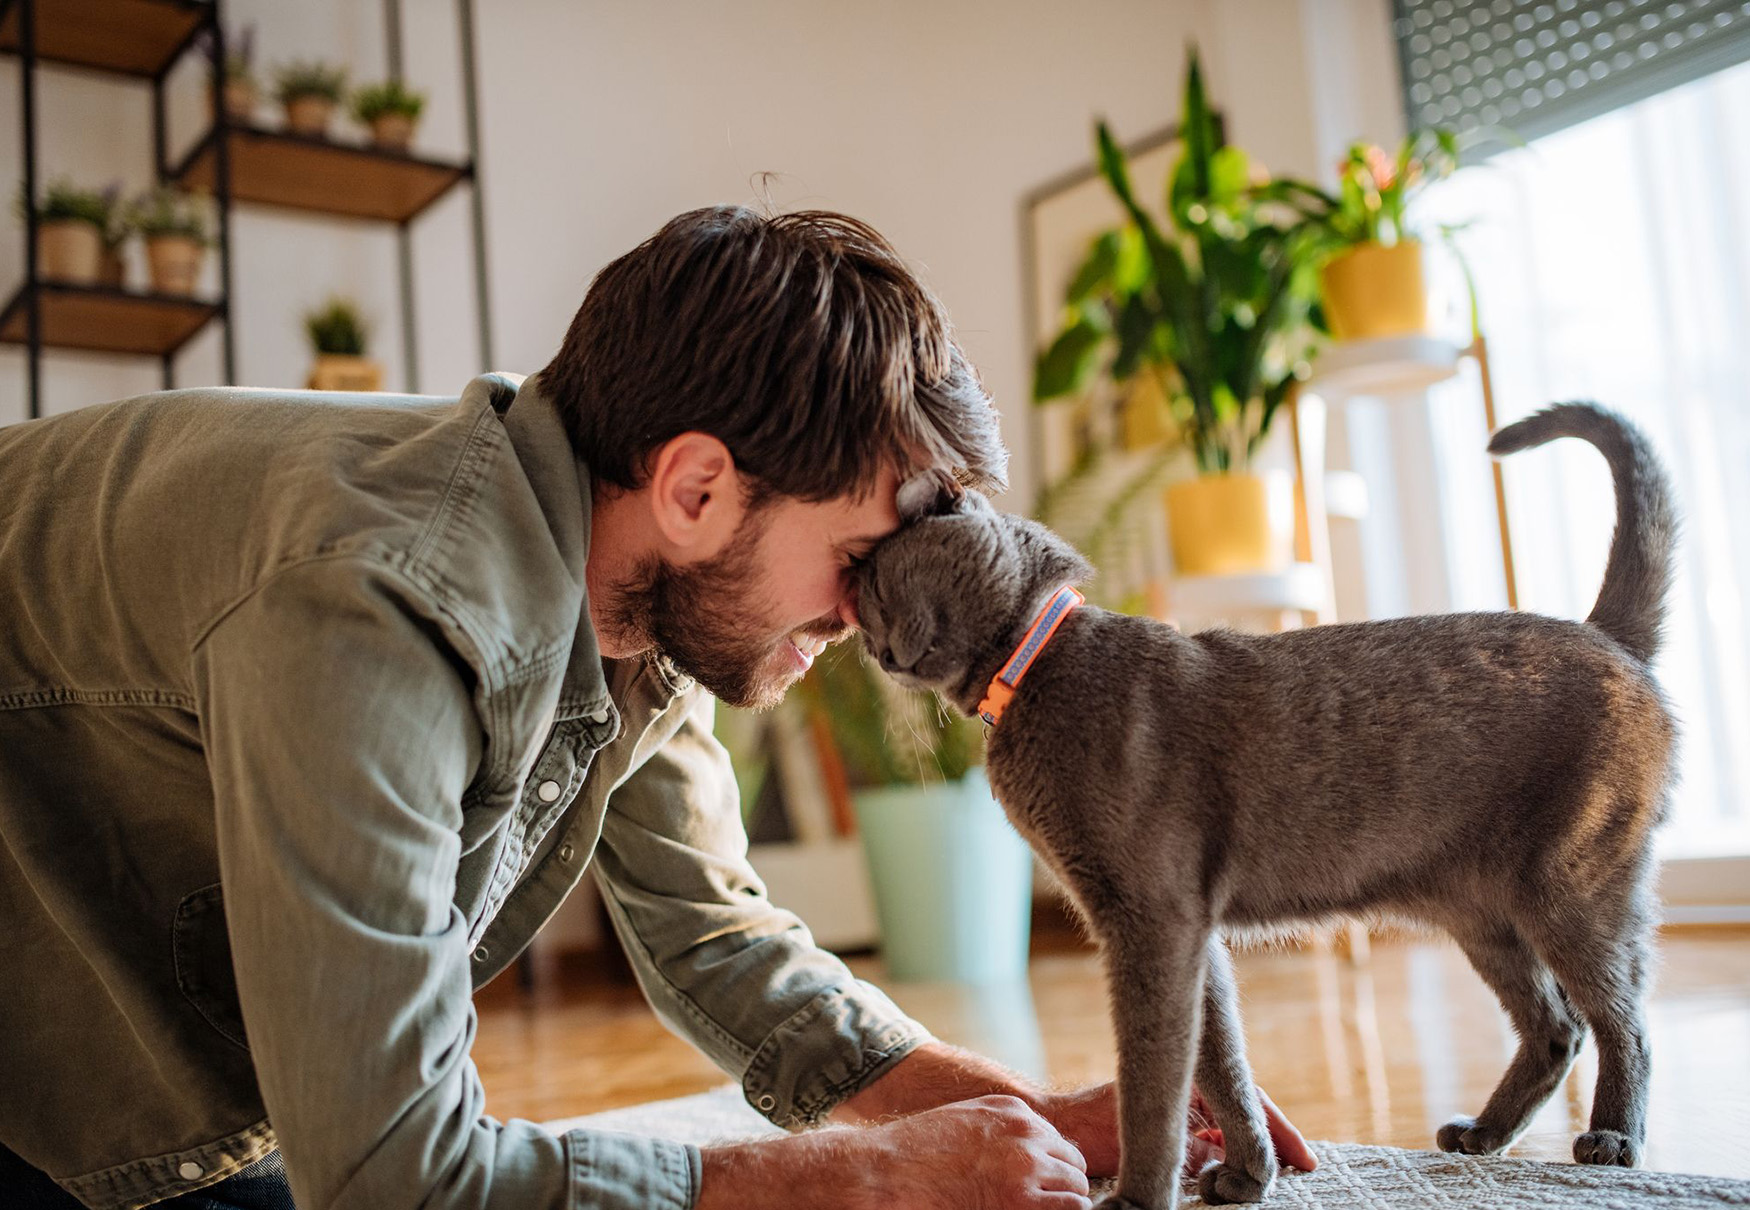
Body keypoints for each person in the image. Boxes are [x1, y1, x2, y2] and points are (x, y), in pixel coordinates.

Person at [0, 206, 1313, 1210]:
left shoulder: (636, 595)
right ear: (695, 487)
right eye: (856, 558)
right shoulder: (374, 609)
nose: (868, 619)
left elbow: (713, 938)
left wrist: (1027, 1110)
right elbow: (394, 1172)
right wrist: (871, 1180)